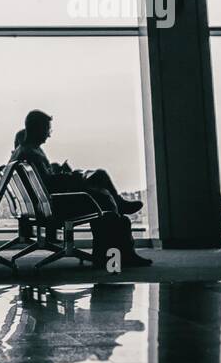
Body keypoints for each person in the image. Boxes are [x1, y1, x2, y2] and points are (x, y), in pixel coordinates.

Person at [13, 109, 151, 268]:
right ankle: (118, 253)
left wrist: (60, 173)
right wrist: (72, 178)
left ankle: (110, 251)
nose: (49, 134)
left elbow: (43, 183)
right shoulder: (32, 153)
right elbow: (49, 184)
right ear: (37, 128)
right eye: (47, 129)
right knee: (103, 194)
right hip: (54, 206)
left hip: (45, 205)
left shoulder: (24, 151)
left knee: (101, 189)